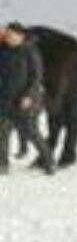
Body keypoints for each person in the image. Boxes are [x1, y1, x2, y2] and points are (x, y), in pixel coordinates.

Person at [0, 22, 55, 174]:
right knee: (2, 133)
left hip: (25, 101)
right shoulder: (3, 51)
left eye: (11, 35)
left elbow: (36, 77)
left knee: (31, 132)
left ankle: (49, 161)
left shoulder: (30, 52)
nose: (8, 37)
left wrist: (28, 96)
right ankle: (2, 165)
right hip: (5, 99)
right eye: (7, 34)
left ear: (20, 36)